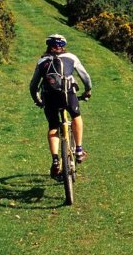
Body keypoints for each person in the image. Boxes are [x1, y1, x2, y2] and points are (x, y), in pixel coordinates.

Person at [29, 34, 93, 179]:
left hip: (49, 97)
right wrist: (87, 91)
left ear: (48, 46)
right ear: (63, 46)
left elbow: (33, 85)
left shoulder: (42, 61)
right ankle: (78, 150)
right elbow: (86, 77)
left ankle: (56, 161)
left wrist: (37, 99)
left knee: (53, 126)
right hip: (68, 95)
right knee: (76, 116)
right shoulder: (71, 57)